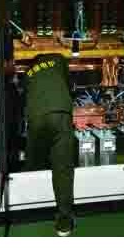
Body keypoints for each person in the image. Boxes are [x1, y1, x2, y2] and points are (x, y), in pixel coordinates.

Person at [24, 53, 76, 236]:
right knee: (63, 169)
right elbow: (70, 86)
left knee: (33, 161)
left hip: (36, 117)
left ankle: (28, 209)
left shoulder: (28, 72)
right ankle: (64, 224)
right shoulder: (59, 60)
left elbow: (25, 96)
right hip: (60, 113)